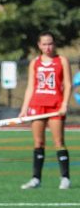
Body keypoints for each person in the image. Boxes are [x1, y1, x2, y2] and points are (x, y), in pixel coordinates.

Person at [19, 31, 72, 189]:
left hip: (55, 105)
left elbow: (68, 84)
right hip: (38, 105)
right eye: (44, 44)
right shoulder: (34, 63)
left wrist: (64, 104)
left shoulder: (62, 61)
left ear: (54, 44)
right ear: (39, 45)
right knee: (38, 142)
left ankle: (65, 178)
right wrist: (24, 109)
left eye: (50, 43)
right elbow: (31, 86)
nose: (48, 47)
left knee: (58, 141)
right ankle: (36, 179)